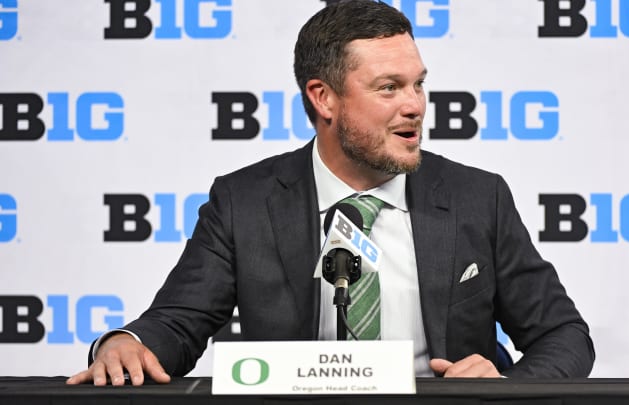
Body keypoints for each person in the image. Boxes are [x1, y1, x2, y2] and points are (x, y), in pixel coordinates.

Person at [67, 0, 594, 386]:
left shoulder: (478, 197)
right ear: (323, 98)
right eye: (388, 88)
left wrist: (504, 388)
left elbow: (565, 336)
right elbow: (177, 322)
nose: (414, 106)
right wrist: (124, 344)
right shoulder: (244, 202)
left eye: (418, 84)